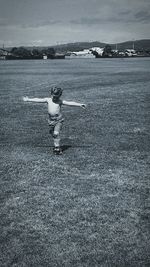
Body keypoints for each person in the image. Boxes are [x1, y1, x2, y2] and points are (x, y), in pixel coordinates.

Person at [23, 86, 86, 155]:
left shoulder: (60, 101)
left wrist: (80, 105)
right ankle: (56, 146)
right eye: (54, 96)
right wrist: (28, 99)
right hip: (51, 121)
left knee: (56, 134)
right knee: (53, 134)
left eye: (57, 97)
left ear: (59, 96)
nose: (55, 98)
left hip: (58, 120)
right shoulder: (48, 100)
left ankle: (57, 148)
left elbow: (70, 103)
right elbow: (38, 100)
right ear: (51, 94)